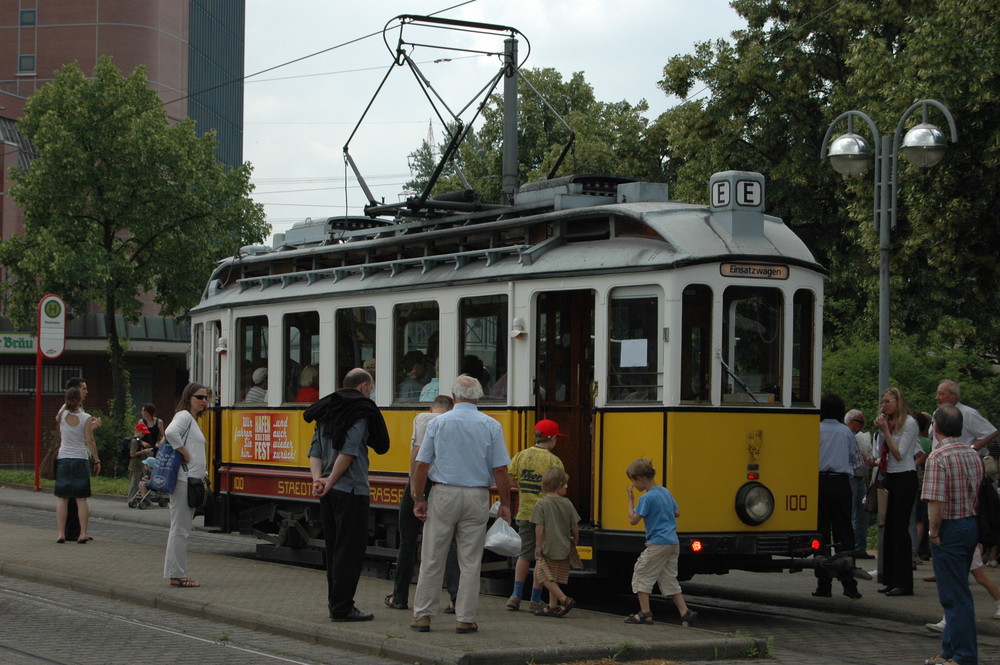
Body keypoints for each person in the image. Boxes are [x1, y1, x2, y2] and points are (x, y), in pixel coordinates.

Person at [409, 375, 512, 634]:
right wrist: (505, 504)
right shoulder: (492, 425)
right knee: (470, 560)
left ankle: (423, 616)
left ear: (454, 397)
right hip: (477, 496)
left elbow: (421, 464)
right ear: (478, 397)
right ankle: (465, 618)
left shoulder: (438, 423)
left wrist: (419, 497)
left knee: (433, 556)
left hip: (443, 494)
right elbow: (500, 469)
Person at [304, 368, 390, 622]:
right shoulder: (360, 410)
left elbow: (315, 449)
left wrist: (317, 480)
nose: (371, 393)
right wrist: (330, 481)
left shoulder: (327, 409)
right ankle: (343, 607)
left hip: (329, 493)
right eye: (371, 388)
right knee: (349, 551)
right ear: (363, 387)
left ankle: (336, 604)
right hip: (351, 489)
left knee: (334, 549)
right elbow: (350, 451)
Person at [385, 395, 460, 612]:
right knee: (450, 542)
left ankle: (399, 597)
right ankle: (455, 598)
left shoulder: (423, 419)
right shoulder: (455, 423)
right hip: (444, 485)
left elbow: (417, 455)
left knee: (408, 542)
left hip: (419, 484)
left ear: (430, 407)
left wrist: (415, 490)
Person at [921, 404, 983, 665]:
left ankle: (964, 655)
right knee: (956, 592)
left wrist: (934, 533)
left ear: (936, 427)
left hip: (949, 527)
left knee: (954, 595)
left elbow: (936, 502)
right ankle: (948, 652)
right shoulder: (972, 455)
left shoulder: (938, 457)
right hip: (969, 523)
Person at [624, 458, 696, 626]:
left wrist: (630, 500)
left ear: (640, 478)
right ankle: (685, 613)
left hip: (658, 543)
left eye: (633, 481)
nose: (634, 485)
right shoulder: (665, 492)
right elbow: (677, 512)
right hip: (673, 542)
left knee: (641, 573)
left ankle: (645, 613)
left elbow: (632, 520)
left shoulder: (646, 498)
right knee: (668, 578)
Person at [505, 418, 566, 611]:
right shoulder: (554, 461)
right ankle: (534, 599)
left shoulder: (521, 456)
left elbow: (509, 478)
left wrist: (521, 487)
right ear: (553, 438)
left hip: (524, 513)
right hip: (545, 516)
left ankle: (515, 595)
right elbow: (561, 489)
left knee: (524, 554)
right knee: (541, 557)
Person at [813, 394, 862, 598]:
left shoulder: (815, 430)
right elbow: (855, 459)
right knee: (844, 531)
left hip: (819, 482)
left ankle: (823, 584)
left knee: (821, 532)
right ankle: (849, 583)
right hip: (841, 483)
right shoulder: (846, 432)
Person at [873, 387, 919, 596]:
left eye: (888, 401)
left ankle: (904, 582)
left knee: (900, 530)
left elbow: (899, 452)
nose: (885, 405)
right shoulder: (891, 423)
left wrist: (885, 431)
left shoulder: (909, 423)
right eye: (883, 402)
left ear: (898, 402)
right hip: (890, 476)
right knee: (889, 528)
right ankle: (891, 578)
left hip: (904, 476)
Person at [163, 383, 209, 587]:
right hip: (184, 479)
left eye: (206, 398)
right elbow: (171, 433)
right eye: (199, 397)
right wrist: (184, 452)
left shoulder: (191, 419)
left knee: (180, 528)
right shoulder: (184, 416)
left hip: (189, 480)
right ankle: (177, 575)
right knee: (180, 529)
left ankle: (176, 573)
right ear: (189, 397)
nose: (204, 401)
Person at [530, 466, 580, 617]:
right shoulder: (568, 503)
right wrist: (576, 539)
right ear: (559, 486)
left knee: (543, 576)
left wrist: (538, 545)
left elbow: (539, 527)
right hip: (564, 547)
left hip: (548, 547)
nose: (566, 488)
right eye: (565, 485)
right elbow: (574, 525)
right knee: (554, 577)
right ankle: (552, 606)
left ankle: (564, 600)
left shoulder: (541, 504)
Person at [54, 386, 101, 544]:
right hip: (80, 458)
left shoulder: (63, 414)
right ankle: (83, 533)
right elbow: (89, 439)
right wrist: (96, 459)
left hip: (64, 458)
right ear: (80, 400)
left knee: (63, 498)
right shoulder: (86, 417)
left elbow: (57, 418)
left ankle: (61, 533)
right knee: (81, 499)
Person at [925, 542, 1000, 633]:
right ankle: (948, 618)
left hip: (963, 543)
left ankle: (949, 619)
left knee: (980, 578)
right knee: (955, 580)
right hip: (955, 543)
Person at [934, 380, 998, 452]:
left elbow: (991, 432)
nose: (937, 398)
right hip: (939, 458)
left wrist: (971, 448)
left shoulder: (968, 413)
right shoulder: (936, 413)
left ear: (953, 396)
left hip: (961, 460)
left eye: (941, 394)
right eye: (937, 394)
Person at [845, 408, 875, 558]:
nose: (862, 426)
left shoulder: (858, 437)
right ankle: (850, 547)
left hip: (860, 478)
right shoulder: (846, 435)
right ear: (851, 422)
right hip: (851, 478)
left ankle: (859, 547)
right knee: (851, 514)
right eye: (860, 422)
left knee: (862, 514)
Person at [128, 403, 163, 499]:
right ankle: (142, 494)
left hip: (154, 449)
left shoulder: (158, 422)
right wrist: (142, 443)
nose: (142, 413)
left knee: (152, 471)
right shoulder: (141, 421)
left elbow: (162, 436)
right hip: (143, 449)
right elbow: (136, 437)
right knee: (144, 471)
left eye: (143, 411)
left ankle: (148, 494)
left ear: (149, 412)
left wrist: (159, 444)